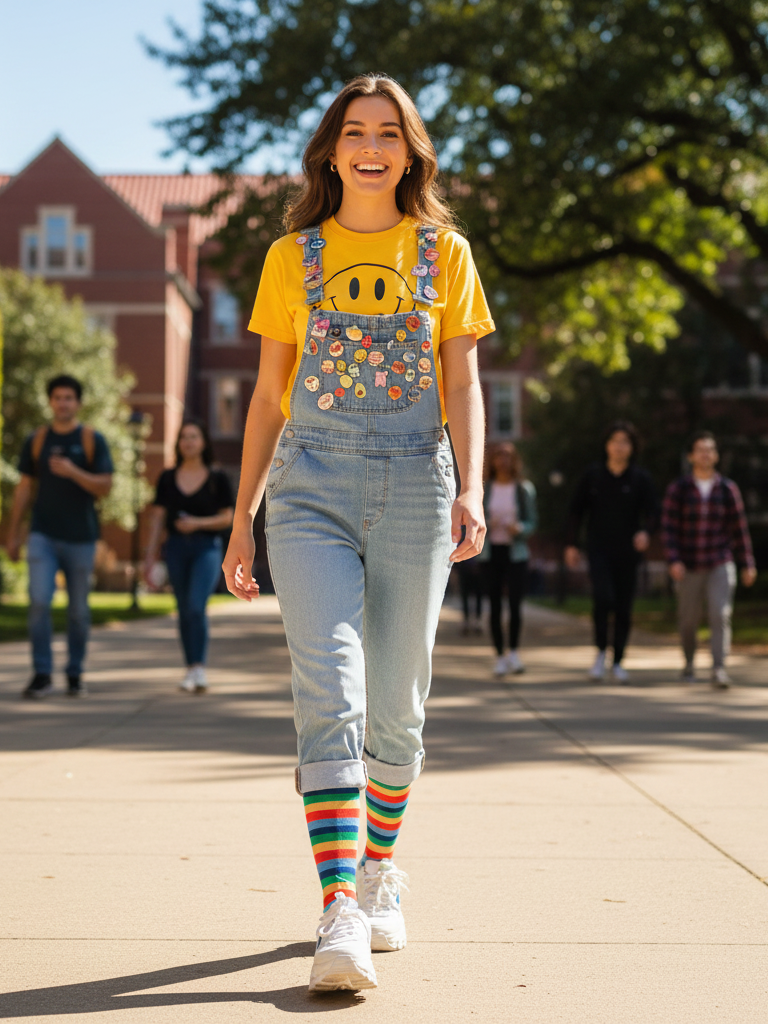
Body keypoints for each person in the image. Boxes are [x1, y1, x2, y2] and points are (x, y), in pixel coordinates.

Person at [222, 74, 492, 993]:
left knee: (398, 705)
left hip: (420, 479)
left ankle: (380, 869)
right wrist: (242, 517)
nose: (370, 146)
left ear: (410, 151)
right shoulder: (289, 257)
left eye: (388, 132)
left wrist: (474, 488)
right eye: (353, 132)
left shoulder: (444, 253)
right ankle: (339, 904)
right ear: (331, 151)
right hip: (312, 488)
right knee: (327, 689)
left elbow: (463, 386)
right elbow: (265, 397)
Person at [5, 375, 114, 698]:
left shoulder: (93, 439)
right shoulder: (37, 440)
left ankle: (75, 673)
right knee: (39, 601)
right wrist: (12, 534)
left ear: (77, 403)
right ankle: (41, 673)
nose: (63, 403)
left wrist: (72, 471)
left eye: (68, 397)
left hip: (81, 537)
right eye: (57, 397)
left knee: (78, 611)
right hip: (42, 535)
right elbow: (24, 488)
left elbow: (105, 487)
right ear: (50, 402)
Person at [143, 419, 234, 693]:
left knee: (196, 605)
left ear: (203, 442)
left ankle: (199, 668)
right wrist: (149, 557)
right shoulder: (167, 478)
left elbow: (227, 518)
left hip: (206, 548)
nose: (188, 442)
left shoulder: (217, 478)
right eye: (183, 437)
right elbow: (157, 518)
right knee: (183, 610)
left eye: (194, 436)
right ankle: (190, 668)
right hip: (176, 549)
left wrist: (197, 523)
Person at [565, 421, 659, 684]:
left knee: (623, 606)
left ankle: (618, 661)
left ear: (632, 448)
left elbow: (653, 513)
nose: (619, 446)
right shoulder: (593, 475)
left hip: (628, 552)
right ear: (607, 445)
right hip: (599, 549)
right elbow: (575, 512)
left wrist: (646, 533)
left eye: (625, 442)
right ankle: (599, 654)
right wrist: (571, 544)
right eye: (615, 441)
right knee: (603, 599)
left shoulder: (640, 478)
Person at [661, 430, 756, 688]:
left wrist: (747, 562)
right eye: (700, 449)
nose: (706, 454)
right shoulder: (678, 489)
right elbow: (668, 528)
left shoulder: (727, 489)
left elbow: (739, 529)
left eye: (710, 450)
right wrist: (673, 560)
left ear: (715, 456)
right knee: (688, 619)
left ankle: (719, 668)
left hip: (719, 561)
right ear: (691, 456)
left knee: (720, 614)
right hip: (689, 563)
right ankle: (689, 663)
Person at [478, 441, 538, 676]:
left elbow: (533, 521)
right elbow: (475, 518)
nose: (503, 460)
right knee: (493, 606)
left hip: (516, 554)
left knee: (514, 605)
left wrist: (520, 528)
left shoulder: (524, 489)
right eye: (499, 456)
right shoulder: (485, 489)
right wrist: (486, 524)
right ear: (492, 461)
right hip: (491, 553)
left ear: (514, 461)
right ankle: (499, 655)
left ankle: (513, 652)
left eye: (508, 456)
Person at [456, 554, 484, 635]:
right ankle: (466, 621)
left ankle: (478, 621)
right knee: (465, 596)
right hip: (464, 566)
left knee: (479, 596)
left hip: (479, 567)